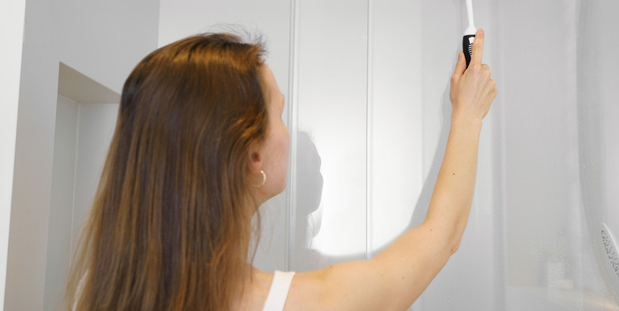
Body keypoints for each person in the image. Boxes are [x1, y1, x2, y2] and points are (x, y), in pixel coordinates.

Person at [66, 29, 497, 310]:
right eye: (280, 113)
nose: (287, 133)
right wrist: (468, 116)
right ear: (253, 157)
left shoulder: (95, 292)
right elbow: (442, 236)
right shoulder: (288, 304)